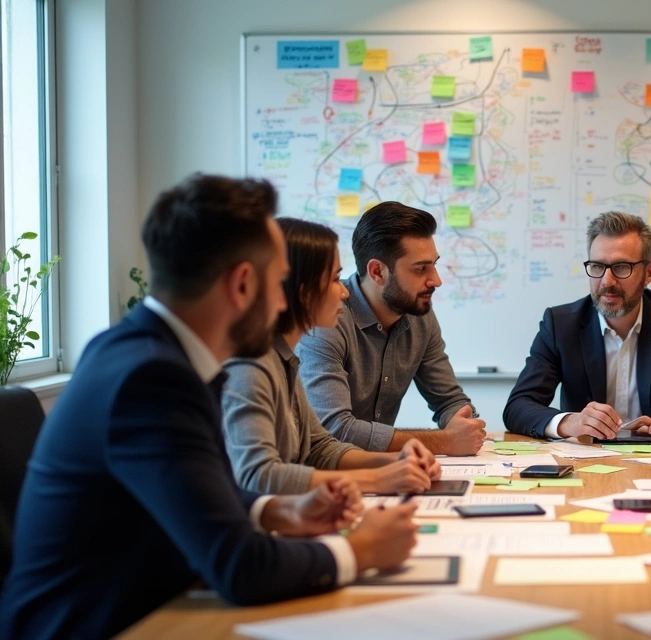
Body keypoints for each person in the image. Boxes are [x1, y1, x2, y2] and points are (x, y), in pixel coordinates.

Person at [0, 176, 419, 640]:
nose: (284, 301)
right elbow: (241, 568)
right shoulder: (152, 380)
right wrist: (361, 551)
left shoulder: (141, 351)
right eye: (279, 283)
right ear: (242, 284)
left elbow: (194, 489)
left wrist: (278, 513)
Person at [222, 218, 442, 495]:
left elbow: (320, 448)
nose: (345, 291)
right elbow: (258, 476)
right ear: (303, 293)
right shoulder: (250, 367)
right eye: (335, 279)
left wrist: (397, 461)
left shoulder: (283, 358)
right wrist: (376, 480)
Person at [504, 211, 651, 442]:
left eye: (621, 267)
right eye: (597, 266)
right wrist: (570, 422)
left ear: (648, 273)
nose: (607, 281)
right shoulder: (560, 324)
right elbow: (518, 407)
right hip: (587, 459)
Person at [297, 202, 486, 456]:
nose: (436, 280)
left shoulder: (420, 315)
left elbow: (449, 400)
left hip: (379, 473)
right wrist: (444, 441)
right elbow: (335, 429)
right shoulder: (326, 319)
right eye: (421, 268)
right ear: (377, 272)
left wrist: (461, 420)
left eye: (434, 264)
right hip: (322, 476)